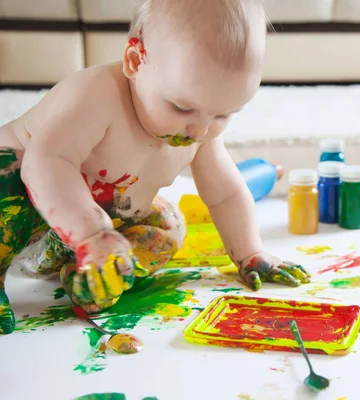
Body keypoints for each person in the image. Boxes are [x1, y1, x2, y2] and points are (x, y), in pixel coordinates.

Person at [0, 0, 310, 334]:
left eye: (223, 114)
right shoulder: (96, 95)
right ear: (135, 61)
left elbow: (226, 194)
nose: (200, 130)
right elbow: (45, 164)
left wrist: (250, 252)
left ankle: (95, 275)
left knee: (168, 225)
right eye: (181, 107)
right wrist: (91, 231)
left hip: (88, 230)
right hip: (31, 202)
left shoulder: (197, 131)